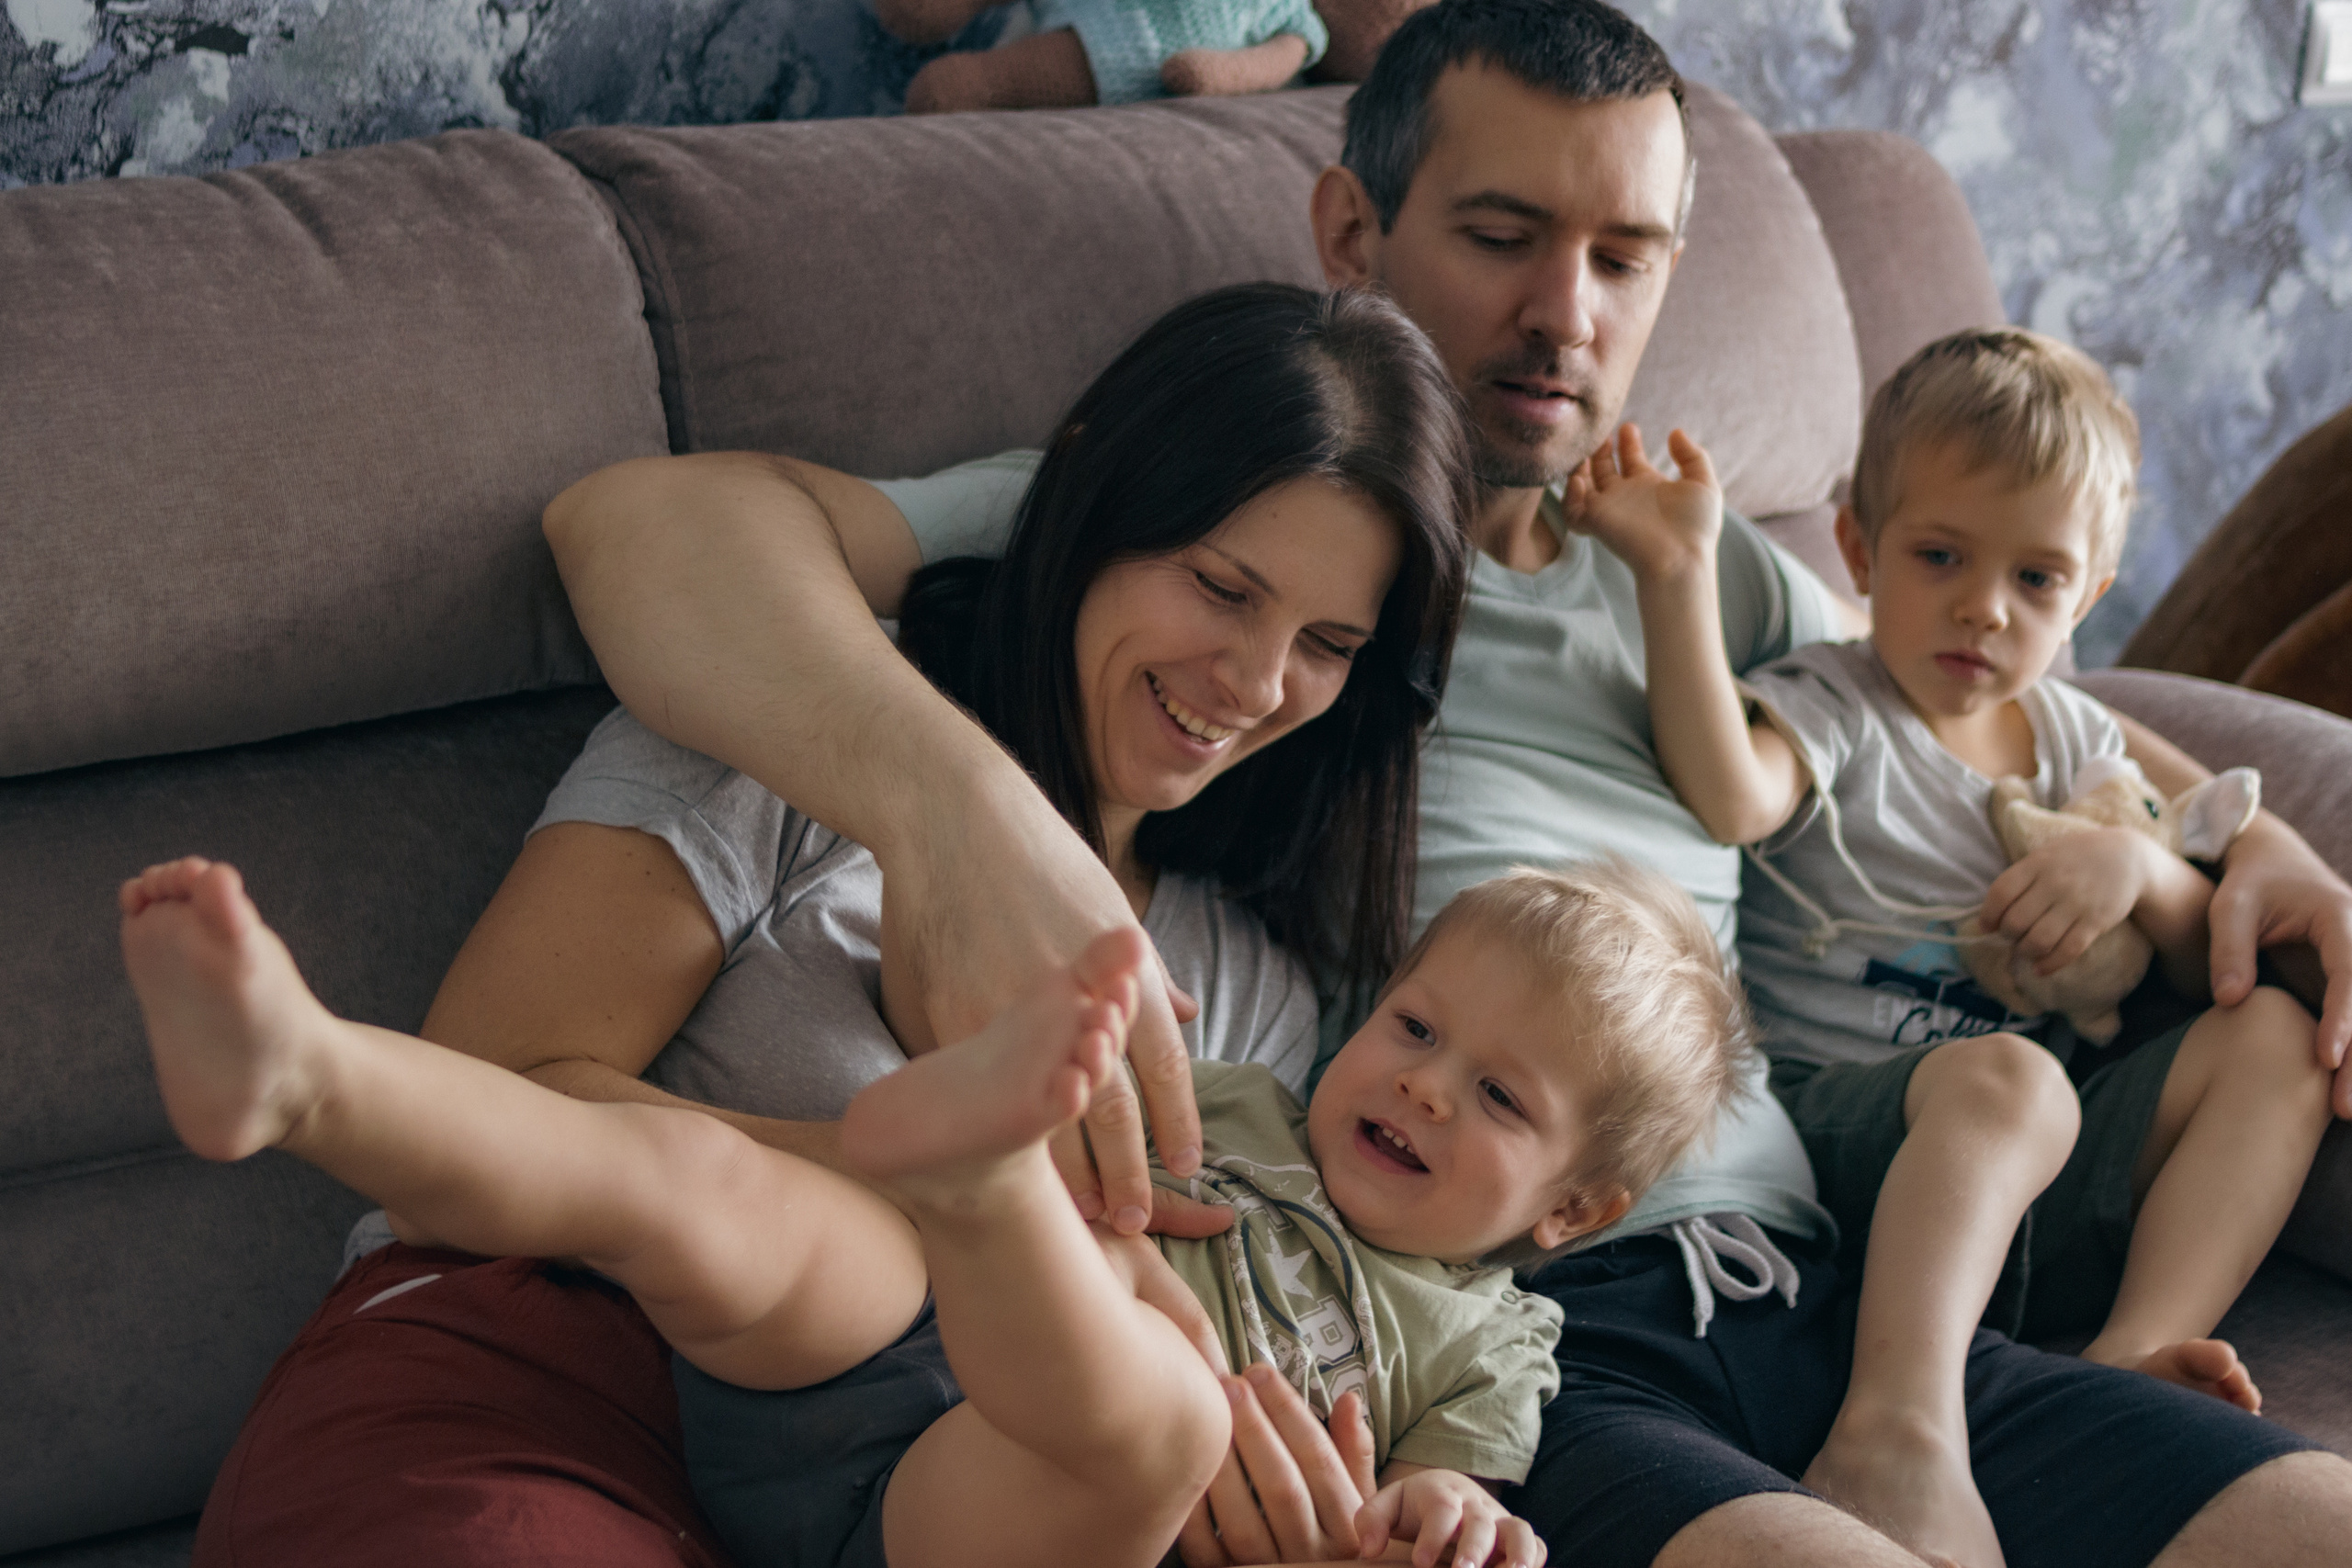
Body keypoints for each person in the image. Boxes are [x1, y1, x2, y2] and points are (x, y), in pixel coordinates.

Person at [544, 2, 2352, 1564]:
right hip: (1523, 1311)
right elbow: (646, 524)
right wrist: (965, 819)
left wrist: (2240, 828)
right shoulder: (1236, 530)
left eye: (1625, 256)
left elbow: (1986, 694)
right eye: (1500, 232)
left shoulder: (1702, 570)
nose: (1563, 313)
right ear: (1350, 224)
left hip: (1833, 1262)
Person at [189, 284, 1479, 1565]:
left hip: (914, 1497)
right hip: (550, 1369)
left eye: (1325, 642)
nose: (1256, 685)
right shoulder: (805, 712)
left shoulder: (1255, 994)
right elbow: (485, 1092)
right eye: (1220, 585)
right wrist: (931, 1184)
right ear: (1091, 510)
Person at [127, 851, 1752, 1568]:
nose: (1419, 1086)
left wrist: (1440, 1529)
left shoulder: (1493, 1345)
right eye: (1415, 1028)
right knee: (702, 1187)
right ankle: (310, 1073)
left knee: (1163, 1417)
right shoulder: (1238, 1097)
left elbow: (1437, 1513)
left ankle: (978, 1182)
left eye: (1497, 1098)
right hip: (843, 1363)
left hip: (975, 1520)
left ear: (1572, 1210)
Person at [1576, 326, 2338, 1568]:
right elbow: (1730, 793)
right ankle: (1889, 1428)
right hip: (1843, 1146)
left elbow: (2217, 969)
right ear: (1863, 553)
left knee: (2272, 1036)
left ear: (2088, 595)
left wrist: (2142, 870)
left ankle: (2128, 1361)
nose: (1985, 609)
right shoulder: (1837, 699)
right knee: (2008, 1080)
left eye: (2038, 581)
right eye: (1942, 558)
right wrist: (1677, 581)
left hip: (2025, 1179)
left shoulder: (2080, 742)